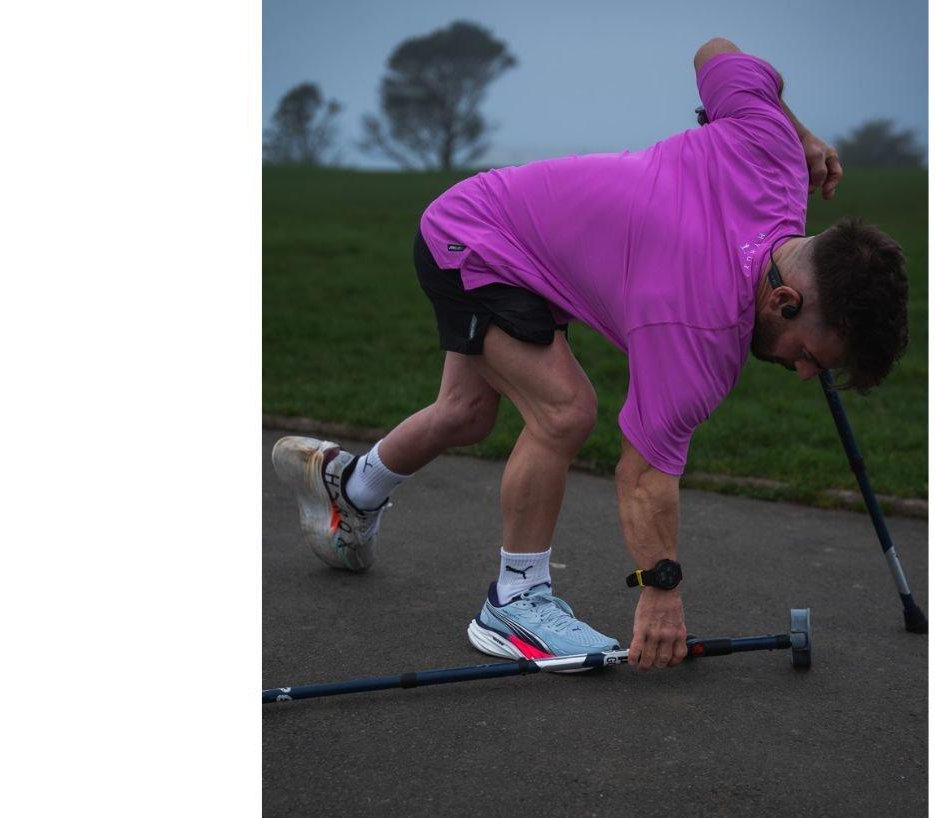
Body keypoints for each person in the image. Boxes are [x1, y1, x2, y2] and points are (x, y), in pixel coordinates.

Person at [271, 36, 911, 672]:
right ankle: (514, 602)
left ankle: (350, 488)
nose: (803, 371)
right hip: (474, 239)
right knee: (565, 412)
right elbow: (643, 473)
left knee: (467, 411)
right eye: (808, 354)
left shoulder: (772, 154)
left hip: (507, 228)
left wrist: (795, 130)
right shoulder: (698, 326)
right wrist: (661, 593)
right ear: (786, 301)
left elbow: (718, 54)